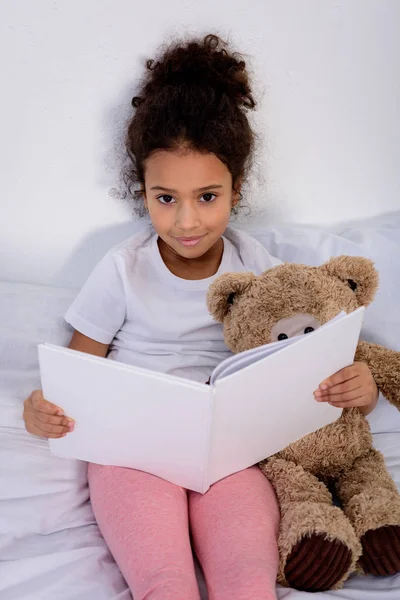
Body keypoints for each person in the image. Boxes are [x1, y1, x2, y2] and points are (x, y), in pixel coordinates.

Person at [23, 35, 379, 600]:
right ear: (142, 193)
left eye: (207, 196)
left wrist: (355, 387)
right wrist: (44, 408)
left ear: (236, 190)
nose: (187, 220)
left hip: (232, 455)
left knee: (245, 581)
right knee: (166, 583)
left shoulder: (258, 267)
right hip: (132, 454)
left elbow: (301, 362)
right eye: (166, 198)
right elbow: (75, 374)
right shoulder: (122, 268)